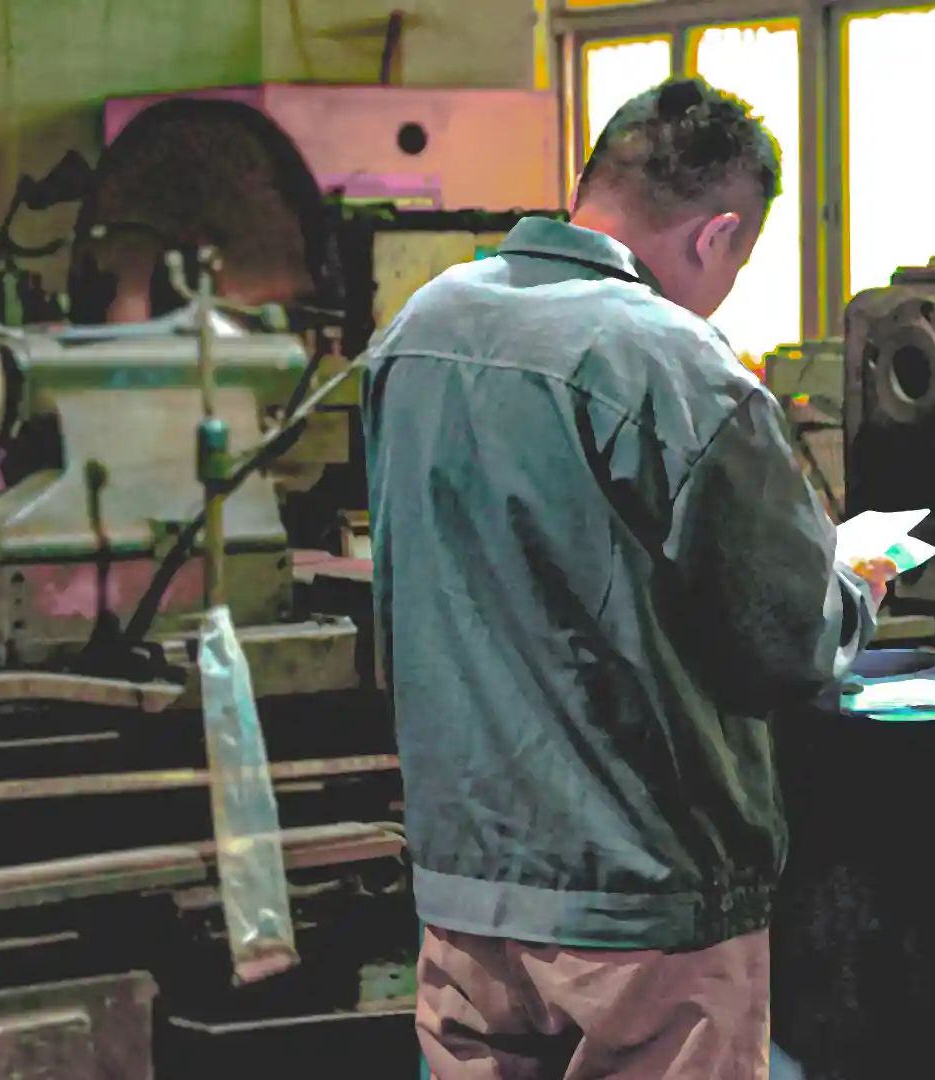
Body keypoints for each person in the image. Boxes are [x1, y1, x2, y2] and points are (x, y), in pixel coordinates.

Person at [362, 76, 894, 1080]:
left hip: (465, 895)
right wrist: (855, 585)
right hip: (643, 909)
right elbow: (790, 641)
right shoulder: (674, 363)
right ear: (716, 235)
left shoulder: (422, 325)